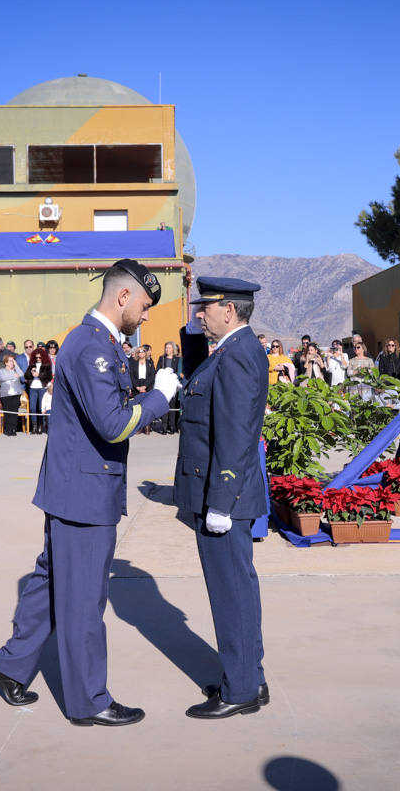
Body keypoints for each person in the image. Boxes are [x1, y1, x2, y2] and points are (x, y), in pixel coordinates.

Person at [0, 258, 178, 727]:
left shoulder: (97, 343)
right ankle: (89, 700)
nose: (148, 315)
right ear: (124, 297)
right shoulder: (92, 347)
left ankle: (10, 666)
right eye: (146, 305)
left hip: (74, 486)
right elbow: (113, 424)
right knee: (84, 600)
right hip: (85, 493)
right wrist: (159, 397)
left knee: (51, 583)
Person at [174, 276, 269, 720]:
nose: (199, 314)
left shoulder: (237, 358)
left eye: (205, 308)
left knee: (231, 593)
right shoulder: (233, 350)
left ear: (228, 310)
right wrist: (192, 334)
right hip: (226, 494)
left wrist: (220, 502)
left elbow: (234, 435)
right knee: (239, 590)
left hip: (225, 498)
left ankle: (239, 691)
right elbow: (197, 377)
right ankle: (249, 675)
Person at [156, 341, 183, 434]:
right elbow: (158, 370)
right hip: (164, 385)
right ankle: (164, 426)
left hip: (173, 385)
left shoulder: (178, 359)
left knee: (172, 406)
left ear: (173, 349)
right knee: (164, 405)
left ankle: (172, 426)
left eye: (169, 348)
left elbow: (178, 371)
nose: (167, 349)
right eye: (166, 348)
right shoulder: (162, 358)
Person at [24, 348, 53, 434]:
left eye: (39, 357)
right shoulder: (31, 365)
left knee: (41, 408)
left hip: (42, 388)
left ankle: (41, 426)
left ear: (43, 357)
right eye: (36, 357)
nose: (38, 359)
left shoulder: (46, 365)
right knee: (32, 408)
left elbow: (49, 377)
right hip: (32, 388)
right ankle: (34, 426)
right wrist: (31, 372)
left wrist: (39, 375)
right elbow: (26, 376)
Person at [0, 353, 24, 436]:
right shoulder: (2, 371)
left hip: (16, 393)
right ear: (6, 362)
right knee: (8, 412)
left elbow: (21, 374)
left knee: (14, 412)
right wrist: (13, 375)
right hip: (6, 394)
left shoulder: (16, 370)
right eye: (11, 361)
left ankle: (13, 429)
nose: (12, 362)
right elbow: (2, 378)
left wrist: (16, 365)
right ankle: (8, 429)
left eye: (13, 361)